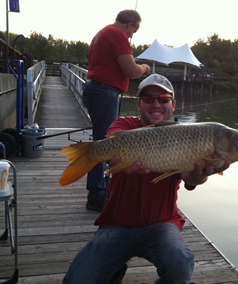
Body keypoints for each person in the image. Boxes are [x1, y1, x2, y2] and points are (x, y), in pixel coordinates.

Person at [63, 74, 230, 283]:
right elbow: (113, 142)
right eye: (149, 99)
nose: (156, 104)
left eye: (163, 98)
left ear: (173, 104)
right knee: (78, 280)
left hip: (161, 225)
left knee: (180, 263)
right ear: (139, 104)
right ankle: (113, 269)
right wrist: (117, 160)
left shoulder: (186, 136)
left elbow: (190, 180)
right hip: (116, 224)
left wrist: (199, 177)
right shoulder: (123, 123)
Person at [83, 9, 150, 211]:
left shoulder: (102, 33)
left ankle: (101, 190)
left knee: (103, 141)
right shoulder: (117, 34)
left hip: (97, 90)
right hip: (105, 93)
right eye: (133, 31)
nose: (131, 36)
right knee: (105, 145)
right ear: (129, 25)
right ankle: (96, 195)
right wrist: (144, 68)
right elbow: (131, 71)